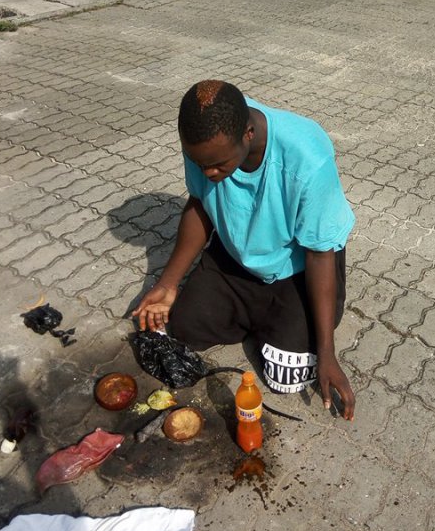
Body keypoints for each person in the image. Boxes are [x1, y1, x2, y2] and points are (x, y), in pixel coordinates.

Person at [132, 80, 356, 420]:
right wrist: (167, 283)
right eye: (200, 163)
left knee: (287, 377)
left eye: (218, 165)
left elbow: (319, 253)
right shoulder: (204, 138)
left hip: (297, 268)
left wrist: (327, 352)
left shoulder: (307, 157)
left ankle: (284, 320)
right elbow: (200, 204)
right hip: (236, 256)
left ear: (248, 133)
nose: (208, 172)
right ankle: (259, 317)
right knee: (181, 328)